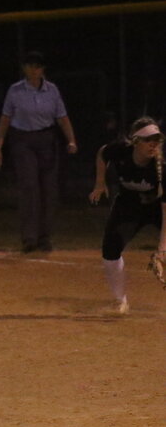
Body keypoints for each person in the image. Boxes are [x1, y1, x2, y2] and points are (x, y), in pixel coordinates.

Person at [0, 51, 78, 253]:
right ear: (24, 68)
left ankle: (44, 237)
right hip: (23, 140)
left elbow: (62, 117)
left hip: (46, 140)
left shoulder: (52, 90)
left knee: (49, 190)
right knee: (29, 187)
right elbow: (5, 119)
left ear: (43, 69)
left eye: (38, 66)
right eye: (30, 65)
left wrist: (71, 140)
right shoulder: (15, 91)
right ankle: (29, 238)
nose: (34, 69)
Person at [88, 116, 165, 314]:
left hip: (158, 207)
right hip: (129, 205)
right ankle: (120, 301)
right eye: (148, 139)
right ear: (135, 142)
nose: (153, 144)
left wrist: (163, 247)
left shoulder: (162, 166)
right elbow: (102, 153)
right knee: (110, 248)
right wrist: (99, 182)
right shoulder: (121, 150)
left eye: (157, 139)